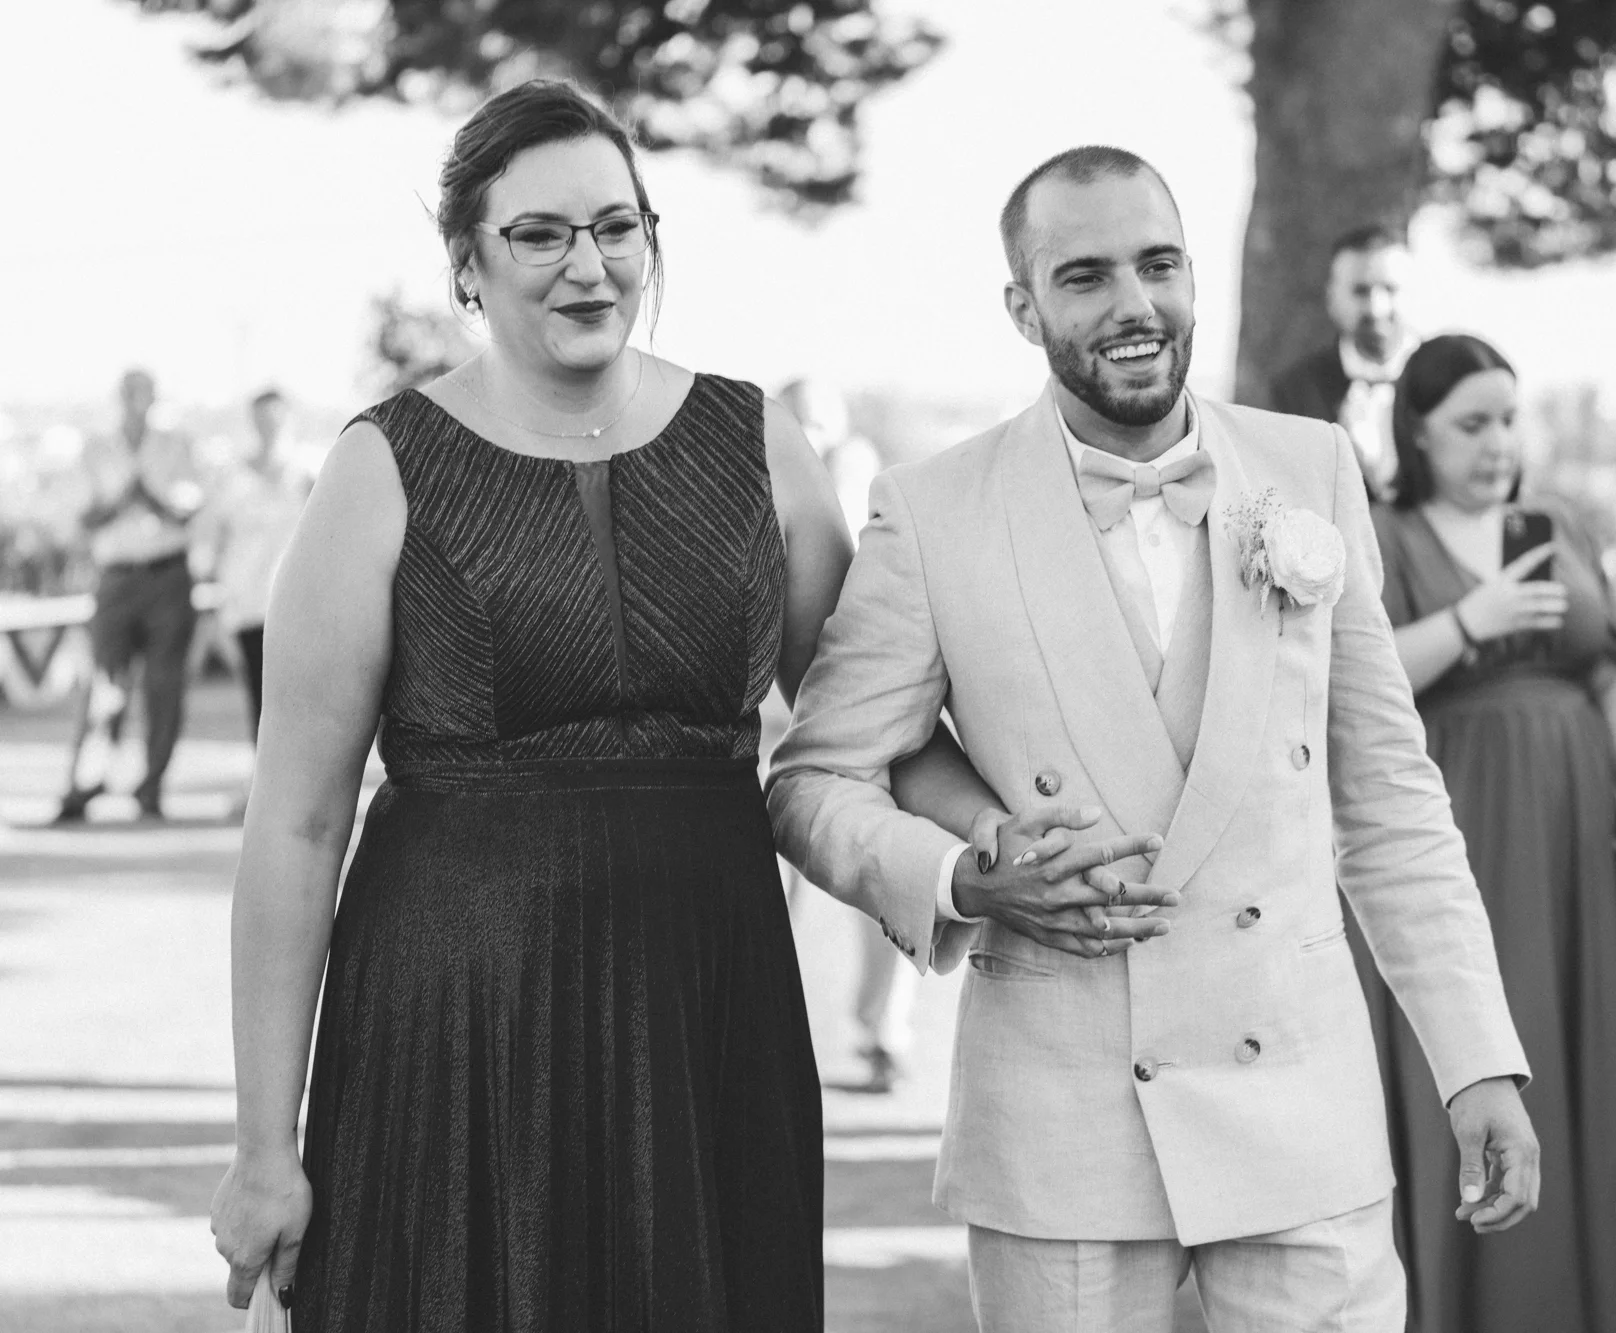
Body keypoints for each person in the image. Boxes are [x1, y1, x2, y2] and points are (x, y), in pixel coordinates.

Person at [769, 146, 1536, 1332]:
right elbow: (816, 779)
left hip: (1298, 1100)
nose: (1133, 303)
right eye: (1083, 276)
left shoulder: (1308, 469)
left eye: (1158, 264)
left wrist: (1476, 1056)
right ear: (1022, 306)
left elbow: (1389, 797)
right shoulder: (933, 511)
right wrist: (963, 875)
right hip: (1060, 1118)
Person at [206, 80, 900, 1329]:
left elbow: (866, 730)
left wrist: (999, 846)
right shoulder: (380, 470)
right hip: (454, 1028)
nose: (589, 265)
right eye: (539, 234)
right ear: (467, 264)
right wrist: (265, 1143)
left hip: (709, 1013)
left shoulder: (760, 444)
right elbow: (297, 824)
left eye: (617, 227)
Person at [1360, 333, 1616, 1332]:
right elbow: (1357, 678)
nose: (1497, 443)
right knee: (1476, 1034)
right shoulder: (1383, 530)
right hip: (1455, 821)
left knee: (1567, 1042)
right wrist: (1471, 620)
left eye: (1506, 419)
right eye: (1470, 424)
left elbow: (1614, 667)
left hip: (1573, 832)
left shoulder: (1555, 523)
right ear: (1417, 431)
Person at [767, 376, 913, 1093]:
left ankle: (885, 1032)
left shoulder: (860, 477)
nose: (811, 435)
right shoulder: (759, 479)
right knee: (770, 890)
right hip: (773, 726)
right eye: (798, 420)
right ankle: (760, 1030)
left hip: (858, 715)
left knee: (883, 873)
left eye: (820, 421)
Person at [54, 368, 205, 823]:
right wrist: (123, 500)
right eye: (131, 392)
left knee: (164, 687)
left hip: (168, 576)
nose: (138, 400)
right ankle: (87, 782)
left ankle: (151, 786)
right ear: (120, 396)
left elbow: (187, 510)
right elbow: (83, 518)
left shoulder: (177, 445)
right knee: (105, 682)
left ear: (155, 397)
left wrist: (151, 497)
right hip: (116, 578)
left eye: (146, 393)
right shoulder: (96, 448)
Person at [1265, 224, 1418, 500]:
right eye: (1360, 291)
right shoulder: (1295, 391)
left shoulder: (1451, 379)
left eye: (1390, 289)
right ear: (1332, 298)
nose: (1376, 308)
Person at [201, 387, 311, 747]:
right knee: (260, 692)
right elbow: (215, 537)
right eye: (262, 418)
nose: (270, 425)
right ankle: (265, 771)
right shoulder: (232, 477)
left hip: (297, 602)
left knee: (300, 695)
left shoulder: (307, 475)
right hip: (249, 603)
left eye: (276, 417)